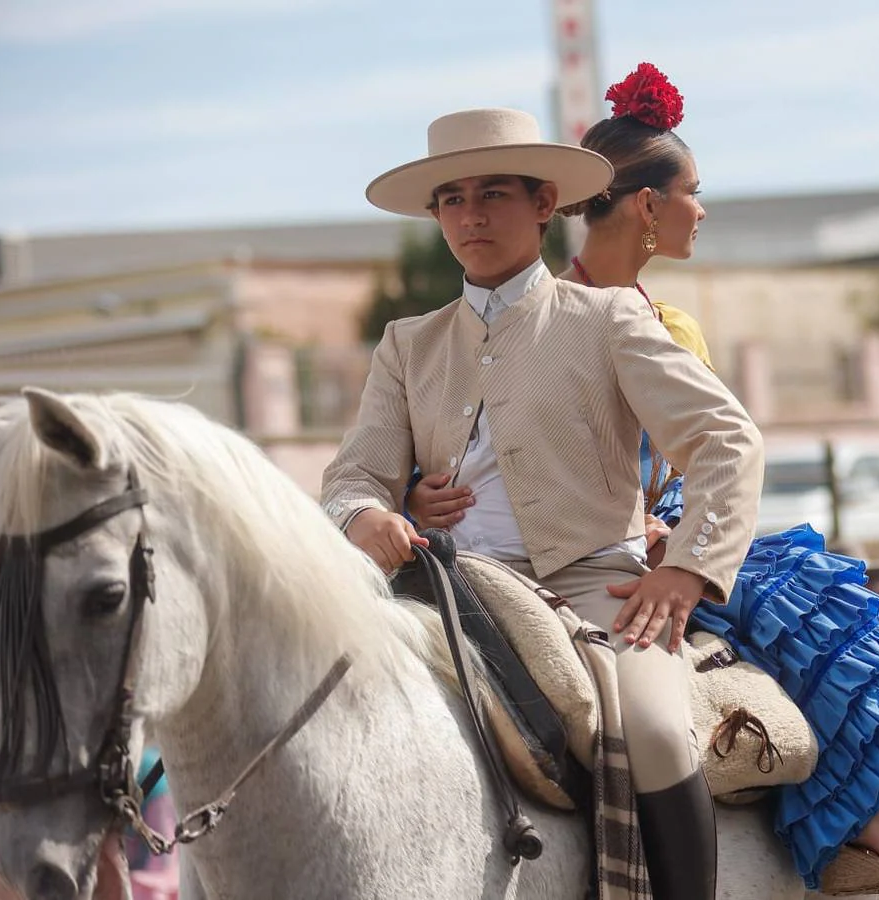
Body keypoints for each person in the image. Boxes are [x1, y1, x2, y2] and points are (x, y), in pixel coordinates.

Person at [408, 65, 879, 900]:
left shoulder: (647, 319)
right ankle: (869, 847)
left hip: (649, 543)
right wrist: (407, 500)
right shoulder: (516, 320)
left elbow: (711, 446)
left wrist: (681, 543)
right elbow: (483, 458)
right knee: (793, 603)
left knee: (823, 610)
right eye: (693, 192)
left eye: (492, 194)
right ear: (646, 205)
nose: (702, 210)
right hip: (581, 553)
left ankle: (874, 844)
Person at [321, 105, 765, 900]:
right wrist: (367, 517)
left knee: (660, 734)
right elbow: (353, 476)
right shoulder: (406, 343)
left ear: (543, 204)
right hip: (447, 587)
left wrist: (688, 570)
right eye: (452, 200)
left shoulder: (610, 318)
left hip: (596, 586)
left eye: (493, 193)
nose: (471, 214)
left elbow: (729, 441)